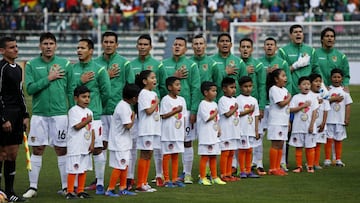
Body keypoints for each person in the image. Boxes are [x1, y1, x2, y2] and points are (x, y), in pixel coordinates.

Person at [23, 32, 73, 198]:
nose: (48, 46)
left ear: (56, 45)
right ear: (40, 46)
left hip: (60, 115)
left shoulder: (65, 64)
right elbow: (30, 89)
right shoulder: (31, 65)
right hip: (39, 115)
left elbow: (71, 90)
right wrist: (49, 78)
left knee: (61, 148)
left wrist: (73, 112)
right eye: (45, 43)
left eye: (51, 43)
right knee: (37, 149)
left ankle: (66, 186)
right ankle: (33, 187)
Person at [86, 31, 135, 192]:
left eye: (111, 42)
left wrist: (132, 110)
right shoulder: (95, 63)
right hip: (100, 111)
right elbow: (91, 87)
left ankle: (126, 179)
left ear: (117, 44)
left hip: (118, 112)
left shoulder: (124, 63)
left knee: (123, 146)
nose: (108, 44)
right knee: (100, 146)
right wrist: (105, 76)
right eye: (105, 41)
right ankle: (99, 180)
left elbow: (130, 87)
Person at [278, 24, 321, 171]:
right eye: (295, 32)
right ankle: (284, 161)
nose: (298, 34)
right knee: (289, 130)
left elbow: (316, 70)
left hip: (308, 96)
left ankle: (311, 163)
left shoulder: (311, 50)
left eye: (300, 32)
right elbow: (281, 72)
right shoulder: (283, 51)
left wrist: (320, 91)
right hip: (291, 96)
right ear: (290, 35)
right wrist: (294, 66)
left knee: (310, 128)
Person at [71, 39, 111, 195]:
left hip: (93, 117)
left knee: (97, 149)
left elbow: (106, 93)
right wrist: (79, 81)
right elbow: (69, 90)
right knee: (77, 149)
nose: (79, 50)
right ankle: (74, 185)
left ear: (91, 51)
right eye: (78, 47)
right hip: (76, 117)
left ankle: (99, 182)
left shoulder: (99, 70)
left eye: (82, 48)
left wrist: (96, 108)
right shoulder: (73, 69)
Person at [162, 37, 201, 184]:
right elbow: (161, 85)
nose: (177, 47)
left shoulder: (191, 66)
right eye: (175, 44)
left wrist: (193, 110)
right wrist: (174, 77)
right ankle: (163, 175)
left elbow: (196, 88)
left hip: (185, 110)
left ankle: (187, 173)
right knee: (166, 142)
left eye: (181, 45)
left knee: (186, 141)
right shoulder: (164, 64)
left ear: (185, 49)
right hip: (167, 110)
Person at [130, 34, 167, 187]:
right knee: (142, 152)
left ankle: (151, 179)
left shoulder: (157, 65)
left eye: (146, 44)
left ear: (151, 47)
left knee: (150, 152)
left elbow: (163, 86)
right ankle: (138, 181)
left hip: (153, 125)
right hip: (144, 125)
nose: (143, 46)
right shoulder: (131, 65)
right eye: (140, 44)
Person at [254, 37, 292, 175]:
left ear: (276, 47)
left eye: (272, 45)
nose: (269, 47)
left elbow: (289, 82)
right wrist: (261, 105)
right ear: (263, 47)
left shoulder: (282, 63)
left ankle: (279, 164)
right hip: (266, 105)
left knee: (280, 141)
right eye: (267, 44)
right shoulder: (259, 63)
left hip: (280, 114)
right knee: (259, 135)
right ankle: (258, 163)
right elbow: (258, 84)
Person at [0, 36, 29, 202]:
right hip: (5, 115)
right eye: (11, 47)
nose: (16, 49)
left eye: (16, 46)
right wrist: (3, 118)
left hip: (17, 116)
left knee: (12, 155)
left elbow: (20, 93)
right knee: (1, 154)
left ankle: (10, 192)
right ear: (2, 51)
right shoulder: (1, 68)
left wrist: (25, 115)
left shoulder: (18, 68)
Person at [105, 84, 140, 197]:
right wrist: (134, 117)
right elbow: (128, 126)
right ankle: (110, 189)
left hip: (123, 142)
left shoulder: (124, 105)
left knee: (124, 165)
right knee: (120, 166)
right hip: (119, 143)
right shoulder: (124, 107)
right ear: (134, 98)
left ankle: (122, 188)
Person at [65, 85, 95, 199]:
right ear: (76, 98)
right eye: (83, 97)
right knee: (74, 168)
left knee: (83, 168)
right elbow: (77, 126)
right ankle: (70, 191)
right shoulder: (73, 111)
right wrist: (87, 120)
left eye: (88, 97)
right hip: (75, 146)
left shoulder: (89, 111)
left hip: (85, 145)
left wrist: (92, 143)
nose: (87, 99)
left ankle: (81, 190)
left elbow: (92, 129)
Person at [134, 70, 160, 192]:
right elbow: (148, 111)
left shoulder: (152, 93)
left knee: (149, 154)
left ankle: (144, 181)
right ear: (145, 81)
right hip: (146, 129)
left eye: (155, 78)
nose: (154, 80)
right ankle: (140, 183)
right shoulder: (143, 93)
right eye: (152, 78)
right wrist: (156, 103)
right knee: (145, 154)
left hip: (153, 128)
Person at [197, 81, 226, 186]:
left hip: (213, 134)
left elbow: (216, 120)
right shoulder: (203, 104)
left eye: (215, 91)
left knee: (214, 156)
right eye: (213, 91)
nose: (215, 93)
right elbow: (207, 118)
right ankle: (202, 177)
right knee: (205, 156)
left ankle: (214, 176)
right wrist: (215, 113)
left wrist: (219, 129)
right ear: (205, 92)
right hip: (205, 135)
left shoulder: (214, 104)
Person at [160, 77, 187, 188]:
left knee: (176, 155)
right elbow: (164, 115)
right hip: (168, 133)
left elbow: (184, 117)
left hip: (178, 133)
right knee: (167, 155)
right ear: (170, 87)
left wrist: (184, 131)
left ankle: (175, 179)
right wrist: (176, 111)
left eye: (179, 84)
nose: (179, 86)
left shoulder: (182, 100)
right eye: (176, 84)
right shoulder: (165, 100)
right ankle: (166, 179)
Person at [288, 76, 319, 173]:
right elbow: (290, 110)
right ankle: (299, 166)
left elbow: (314, 112)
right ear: (299, 86)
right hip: (298, 127)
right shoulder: (296, 97)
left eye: (308, 84)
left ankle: (310, 166)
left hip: (309, 127)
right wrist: (303, 106)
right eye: (304, 84)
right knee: (298, 146)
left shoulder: (313, 97)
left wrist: (311, 125)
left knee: (310, 146)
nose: (306, 86)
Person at [324, 68, 352, 167]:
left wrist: (347, 118)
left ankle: (338, 159)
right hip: (329, 119)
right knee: (328, 139)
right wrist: (333, 99)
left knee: (338, 139)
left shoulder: (344, 91)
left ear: (342, 78)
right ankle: (327, 159)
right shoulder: (328, 90)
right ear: (331, 78)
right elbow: (324, 102)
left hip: (340, 120)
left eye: (338, 77)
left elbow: (348, 105)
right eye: (334, 77)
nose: (336, 79)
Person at [266, 69, 291, 176]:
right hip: (276, 121)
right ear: (276, 79)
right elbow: (281, 104)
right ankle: (272, 168)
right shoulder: (274, 89)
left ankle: (278, 166)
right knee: (275, 144)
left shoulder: (284, 90)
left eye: (285, 76)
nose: (285, 78)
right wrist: (290, 97)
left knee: (281, 145)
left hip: (283, 121)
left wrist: (288, 121)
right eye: (283, 76)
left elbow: (287, 108)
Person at [216, 77, 241, 182]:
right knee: (225, 153)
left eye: (235, 87)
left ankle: (229, 173)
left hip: (233, 131)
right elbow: (226, 114)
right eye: (231, 87)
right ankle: (223, 174)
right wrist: (235, 108)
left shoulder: (234, 100)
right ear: (224, 89)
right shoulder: (222, 100)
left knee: (231, 153)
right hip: (226, 131)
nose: (234, 90)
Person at [236, 76, 260, 178]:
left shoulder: (254, 100)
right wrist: (248, 111)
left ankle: (249, 170)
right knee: (242, 149)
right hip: (242, 129)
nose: (248, 88)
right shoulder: (238, 99)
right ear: (240, 87)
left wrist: (256, 130)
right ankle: (242, 171)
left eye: (250, 86)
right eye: (245, 86)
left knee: (250, 150)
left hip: (250, 130)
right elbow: (237, 114)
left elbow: (256, 115)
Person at [211, 33, 247, 98]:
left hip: (235, 100)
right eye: (222, 41)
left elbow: (245, 83)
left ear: (231, 45)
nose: (225, 43)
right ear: (217, 45)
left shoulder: (239, 62)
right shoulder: (211, 61)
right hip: (216, 100)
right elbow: (210, 81)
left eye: (227, 41)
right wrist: (225, 72)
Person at [315, 27, 350, 91]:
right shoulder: (314, 54)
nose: (329, 38)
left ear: (334, 39)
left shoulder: (341, 56)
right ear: (322, 39)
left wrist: (345, 85)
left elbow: (346, 75)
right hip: (319, 90)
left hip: (336, 91)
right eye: (327, 36)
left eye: (332, 36)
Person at [239, 38, 266, 115]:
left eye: (248, 47)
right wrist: (244, 71)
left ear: (252, 49)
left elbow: (262, 86)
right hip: (238, 102)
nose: (245, 49)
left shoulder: (258, 65)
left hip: (253, 102)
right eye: (243, 47)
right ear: (239, 49)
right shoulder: (235, 64)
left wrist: (261, 106)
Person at [309, 73, 330, 169]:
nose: (318, 83)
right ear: (310, 83)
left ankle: (316, 163)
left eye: (320, 81)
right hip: (311, 124)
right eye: (316, 81)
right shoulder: (308, 95)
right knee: (310, 144)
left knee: (318, 143)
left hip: (321, 124)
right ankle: (310, 163)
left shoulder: (323, 95)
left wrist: (323, 123)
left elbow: (326, 110)